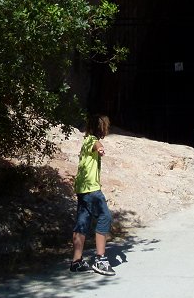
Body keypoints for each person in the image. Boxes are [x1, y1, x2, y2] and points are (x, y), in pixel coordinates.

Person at [70, 114, 116, 276]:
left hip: (82, 188)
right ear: (101, 128)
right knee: (105, 217)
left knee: (83, 221)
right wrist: (100, 148)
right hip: (91, 188)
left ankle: (76, 261)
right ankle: (100, 259)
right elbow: (96, 144)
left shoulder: (85, 140)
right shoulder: (91, 140)